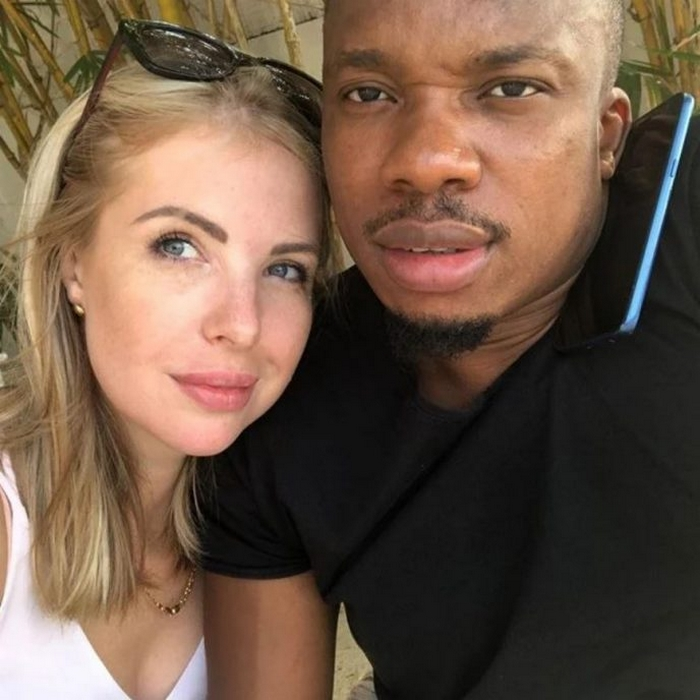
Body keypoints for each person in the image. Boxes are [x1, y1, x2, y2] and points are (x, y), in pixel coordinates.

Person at [202, 0, 700, 698]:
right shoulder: (277, 392)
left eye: (512, 89)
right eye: (369, 94)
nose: (426, 162)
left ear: (606, 134)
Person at [0, 19, 337, 699]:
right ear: (72, 265)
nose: (241, 325)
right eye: (178, 246)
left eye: (284, 270)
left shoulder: (275, 526)